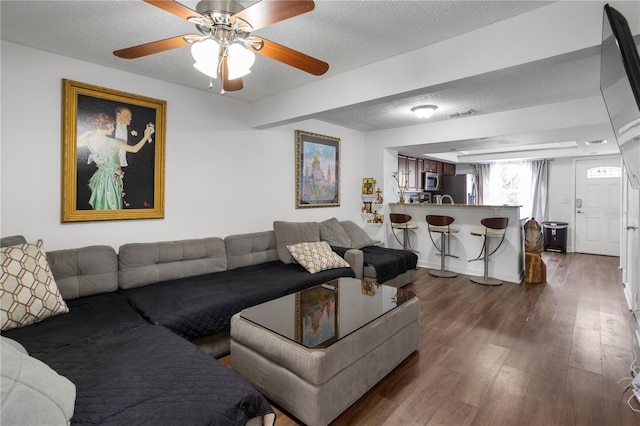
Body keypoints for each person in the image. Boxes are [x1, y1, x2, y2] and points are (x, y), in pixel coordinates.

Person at [77, 112, 154, 210]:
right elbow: (134, 149)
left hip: (100, 177)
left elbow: (73, 141)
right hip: (111, 178)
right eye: (111, 126)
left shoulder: (89, 140)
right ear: (103, 125)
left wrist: (86, 133)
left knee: (102, 203)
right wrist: (145, 137)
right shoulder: (112, 142)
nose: (113, 128)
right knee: (112, 205)